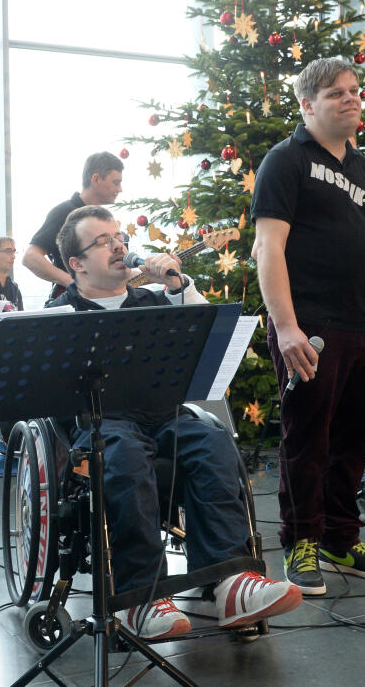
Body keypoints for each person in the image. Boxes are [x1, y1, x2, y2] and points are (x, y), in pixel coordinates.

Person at [47, 205, 301, 641]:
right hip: (102, 421)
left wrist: (178, 285)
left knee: (213, 442)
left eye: (119, 237)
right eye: (102, 242)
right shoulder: (59, 313)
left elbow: (206, 337)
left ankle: (230, 582)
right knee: (123, 455)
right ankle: (139, 598)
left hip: (163, 414)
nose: (118, 246)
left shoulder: (154, 299)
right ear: (76, 263)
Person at [251, 56, 365, 596]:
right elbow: (267, 247)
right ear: (307, 104)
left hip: (364, 326)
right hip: (310, 324)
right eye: (336, 92)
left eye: (355, 90)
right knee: (306, 438)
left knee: (352, 440)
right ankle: (302, 540)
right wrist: (286, 327)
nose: (351, 98)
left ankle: (342, 536)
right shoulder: (286, 160)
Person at [24, 151, 124, 294]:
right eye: (116, 182)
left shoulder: (104, 218)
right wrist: (72, 283)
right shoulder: (62, 212)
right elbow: (30, 257)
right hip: (75, 306)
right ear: (95, 179)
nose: (120, 189)